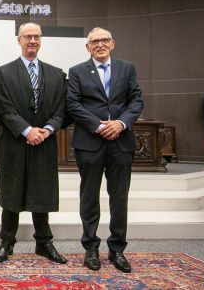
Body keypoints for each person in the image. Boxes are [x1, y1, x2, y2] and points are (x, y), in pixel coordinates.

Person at [67, 27, 143, 273]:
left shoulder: (127, 68)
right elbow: (72, 104)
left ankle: (117, 248)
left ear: (113, 43)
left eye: (104, 40)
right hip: (90, 141)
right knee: (89, 196)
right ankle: (90, 247)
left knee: (119, 196)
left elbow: (136, 100)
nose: (99, 44)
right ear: (87, 47)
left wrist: (121, 123)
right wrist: (98, 125)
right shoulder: (77, 71)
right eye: (94, 41)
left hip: (121, 141)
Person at [0, 22, 68, 265]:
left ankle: (44, 242)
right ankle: (7, 242)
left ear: (41, 40)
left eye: (36, 36)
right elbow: (3, 107)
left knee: (41, 191)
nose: (32, 40)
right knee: (12, 192)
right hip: (14, 142)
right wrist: (26, 130)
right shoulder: (2, 73)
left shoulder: (57, 74)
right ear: (19, 40)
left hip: (44, 142)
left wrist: (47, 129)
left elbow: (62, 109)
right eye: (27, 37)